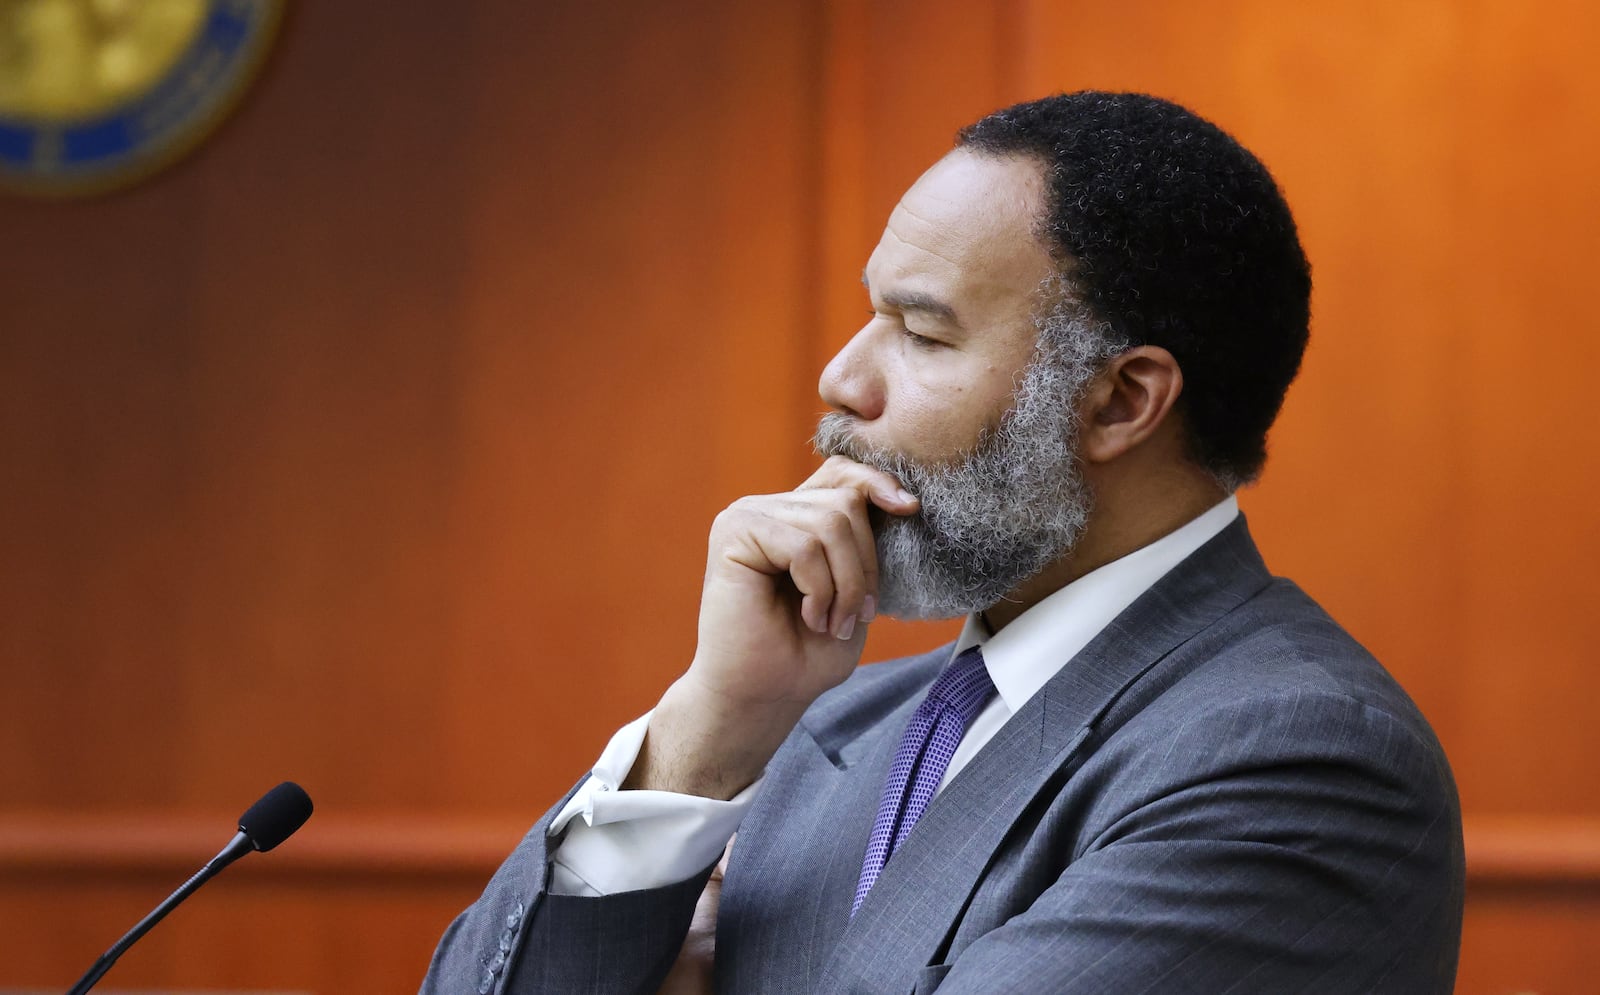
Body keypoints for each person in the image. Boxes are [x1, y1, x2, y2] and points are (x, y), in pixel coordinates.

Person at [422, 91, 1464, 994]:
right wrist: (706, 729)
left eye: (921, 334)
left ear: (1119, 401)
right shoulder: (829, 721)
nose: (841, 377)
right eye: (868, 317)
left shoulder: (1297, 754)